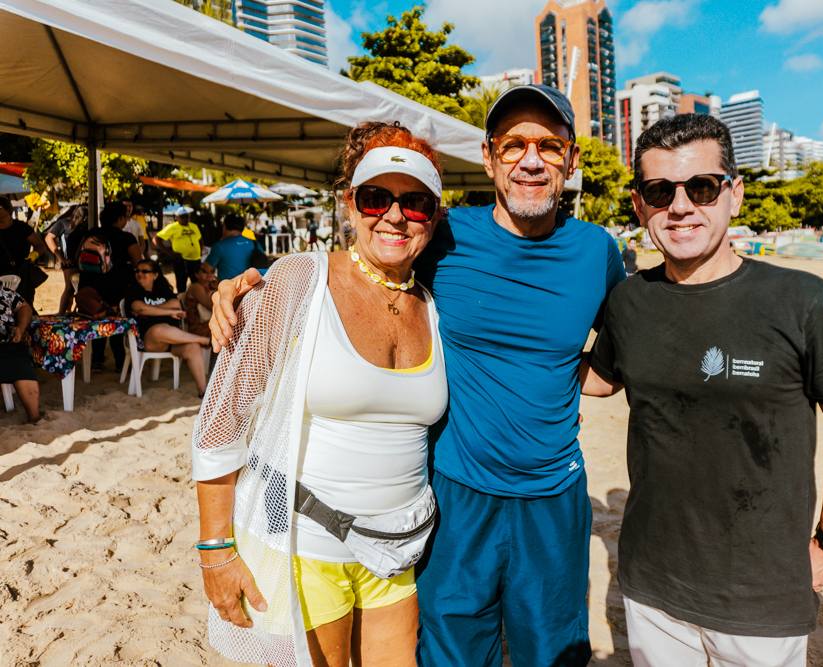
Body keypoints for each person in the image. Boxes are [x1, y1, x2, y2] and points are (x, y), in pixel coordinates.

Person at [211, 85, 627, 666]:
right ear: (488, 158)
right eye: (513, 146)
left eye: (550, 147)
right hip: (454, 496)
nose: (531, 161)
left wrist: (552, 373)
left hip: (553, 498)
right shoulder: (447, 235)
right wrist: (254, 283)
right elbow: (370, 253)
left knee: (552, 653)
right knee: (452, 654)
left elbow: (614, 364)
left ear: (572, 160)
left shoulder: (599, 251)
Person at [579, 114, 823, 667]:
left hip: (761, 590)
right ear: (641, 204)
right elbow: (599, 378)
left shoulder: (802, 300)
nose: (681, 205)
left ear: (733, 195)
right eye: (659, 190)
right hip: (652, 582)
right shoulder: (629, 301)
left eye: (701, 187)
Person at [192, 122, 449, 667]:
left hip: (397, 551)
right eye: (376, 197)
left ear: (434, 214)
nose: (396, 215)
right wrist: (215, 553)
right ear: (349, 205)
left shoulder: (434, 301)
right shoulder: (297, 281)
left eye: (416, 203)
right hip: (305, 547)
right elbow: (221, 423)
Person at [126, 259, 211, 395]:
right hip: (148, 340)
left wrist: (151, 309)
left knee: (193, 347)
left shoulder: (163, 290)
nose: (140, 274)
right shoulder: (133, 291)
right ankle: (205, 340)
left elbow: (176, 304)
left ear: (155, 275)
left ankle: (203, 392)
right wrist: (168, 312)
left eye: (145, 271)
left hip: (171, 340)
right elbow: (139, 308)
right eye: (137, 271)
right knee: (159, 329)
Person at [79, 201, 142, 372]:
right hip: (116, 284)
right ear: (120, 217)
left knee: (97, 319)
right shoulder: (126, 237)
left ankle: (97, 361)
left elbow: (79, 256)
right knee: (115, 321)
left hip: (89, 283)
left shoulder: (92, 233)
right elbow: (139, 263)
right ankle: (120, 361)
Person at [0, 284, 41, 423]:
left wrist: (21, 329)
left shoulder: (3, 292)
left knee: (20, 362)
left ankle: (34, 418)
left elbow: (25, 307)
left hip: (6, 343)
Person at [0, 195, 47, 307]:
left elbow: (40, 245)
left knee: (24, 305)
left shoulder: (21, 227)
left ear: (8, 209)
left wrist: (34, 254)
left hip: (21, 273)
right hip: (0, 273)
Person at [44, 205, 88, 314]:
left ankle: (73, 311)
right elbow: (48, 238)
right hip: (70, 261)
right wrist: (61, 258)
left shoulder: (87, 226)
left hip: (85, 261)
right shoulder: (63, 224)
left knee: (82, 288)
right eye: (83, 219)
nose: (84, 221)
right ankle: (61, 313)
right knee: (69, 288)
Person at [155, 206, 202, 292]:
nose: (185, 218)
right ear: (177, 218)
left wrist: (201, 250)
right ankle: (182, 303)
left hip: (195, 260)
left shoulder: (194, 226)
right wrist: (169, 253)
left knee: (198, 284)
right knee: (181, 285)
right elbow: (156, 239)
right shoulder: (172, 227)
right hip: (181, 261)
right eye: (182, 217)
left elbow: (200, 239)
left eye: (186, 216)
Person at [202, 214, 258, 281]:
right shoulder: (255, 244)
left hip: (229, 289)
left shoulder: (219, 246)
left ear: (224, 226)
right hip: (254, 288)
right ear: (243, 227)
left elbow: (207, 268)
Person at [184, 263, 217, 338]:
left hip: (211, 324)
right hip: (200, 328)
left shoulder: (212, 287)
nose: (209, 273)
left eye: (212, 271)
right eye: (205, 271)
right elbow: (210, 305)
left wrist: (218, 287)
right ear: (197, 275)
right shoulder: (195, 286)